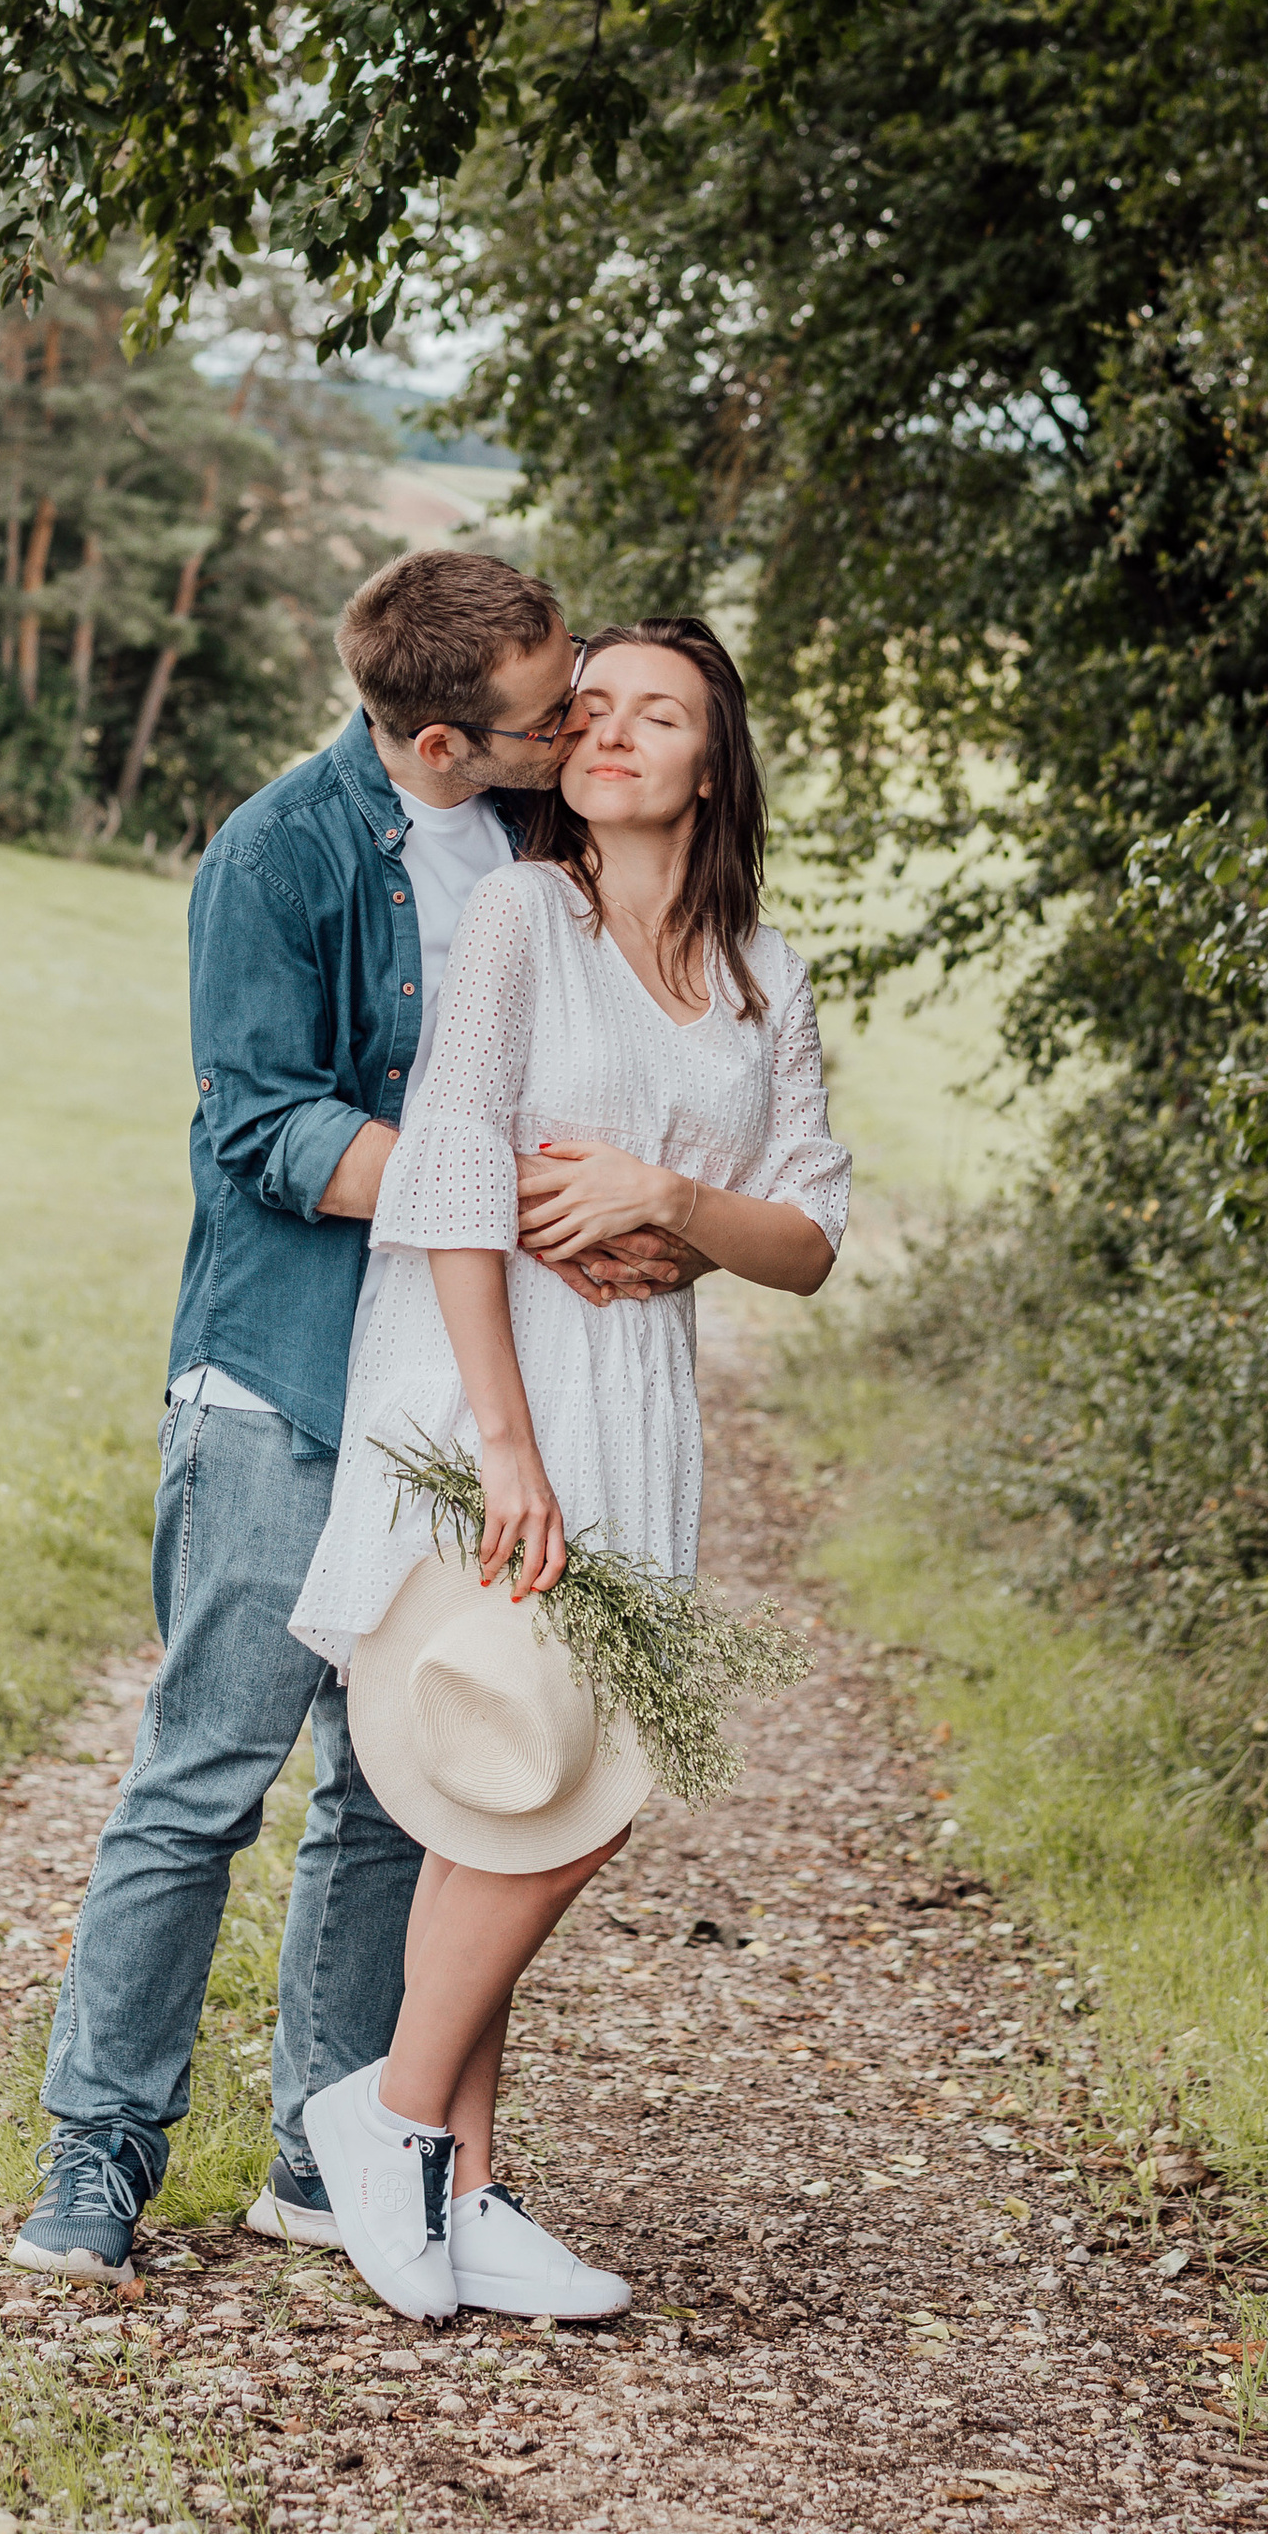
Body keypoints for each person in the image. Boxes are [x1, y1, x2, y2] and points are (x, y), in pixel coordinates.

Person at [12, 552, 699, 2287]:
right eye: (555, 712)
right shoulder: (282, 852)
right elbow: (264, 1128)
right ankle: (100, 2147)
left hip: (454, 1392)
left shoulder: (545, 849)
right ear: (453, 739)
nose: (583, 729)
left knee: (401, 1786)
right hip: (287, 1376)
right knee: (203, 1781)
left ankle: (335, 2153)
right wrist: (522, 1205)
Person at [287, 619, 850, 2321]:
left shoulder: (765, 971)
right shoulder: (531, 913)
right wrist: (506, 1441)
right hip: (497, 1382)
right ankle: (386, 2122)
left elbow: (810, 1231)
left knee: (528, 1776)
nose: (609, 732)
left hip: (640, 1397)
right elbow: (459, 1160)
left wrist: (672, 1205)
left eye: (654, 712)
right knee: (546, 1778)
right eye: (588, 708)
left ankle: (464, 2182)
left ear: (710, 760)